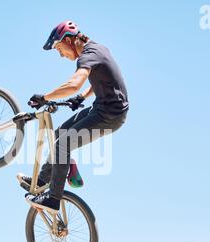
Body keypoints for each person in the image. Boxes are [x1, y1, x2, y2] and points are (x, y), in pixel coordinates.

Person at [19, 20, 129, 213]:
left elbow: (74, 84)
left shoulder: (87, 56)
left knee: (63, 144)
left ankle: (53, 199)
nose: (61, 55)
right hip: (103, 108)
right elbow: (103, 80)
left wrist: (44, 98)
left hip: (110, 115)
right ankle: (44, 178)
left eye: (59, 49)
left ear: (69, 40)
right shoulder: (97, 49)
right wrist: (81, 98)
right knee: (59, 133)